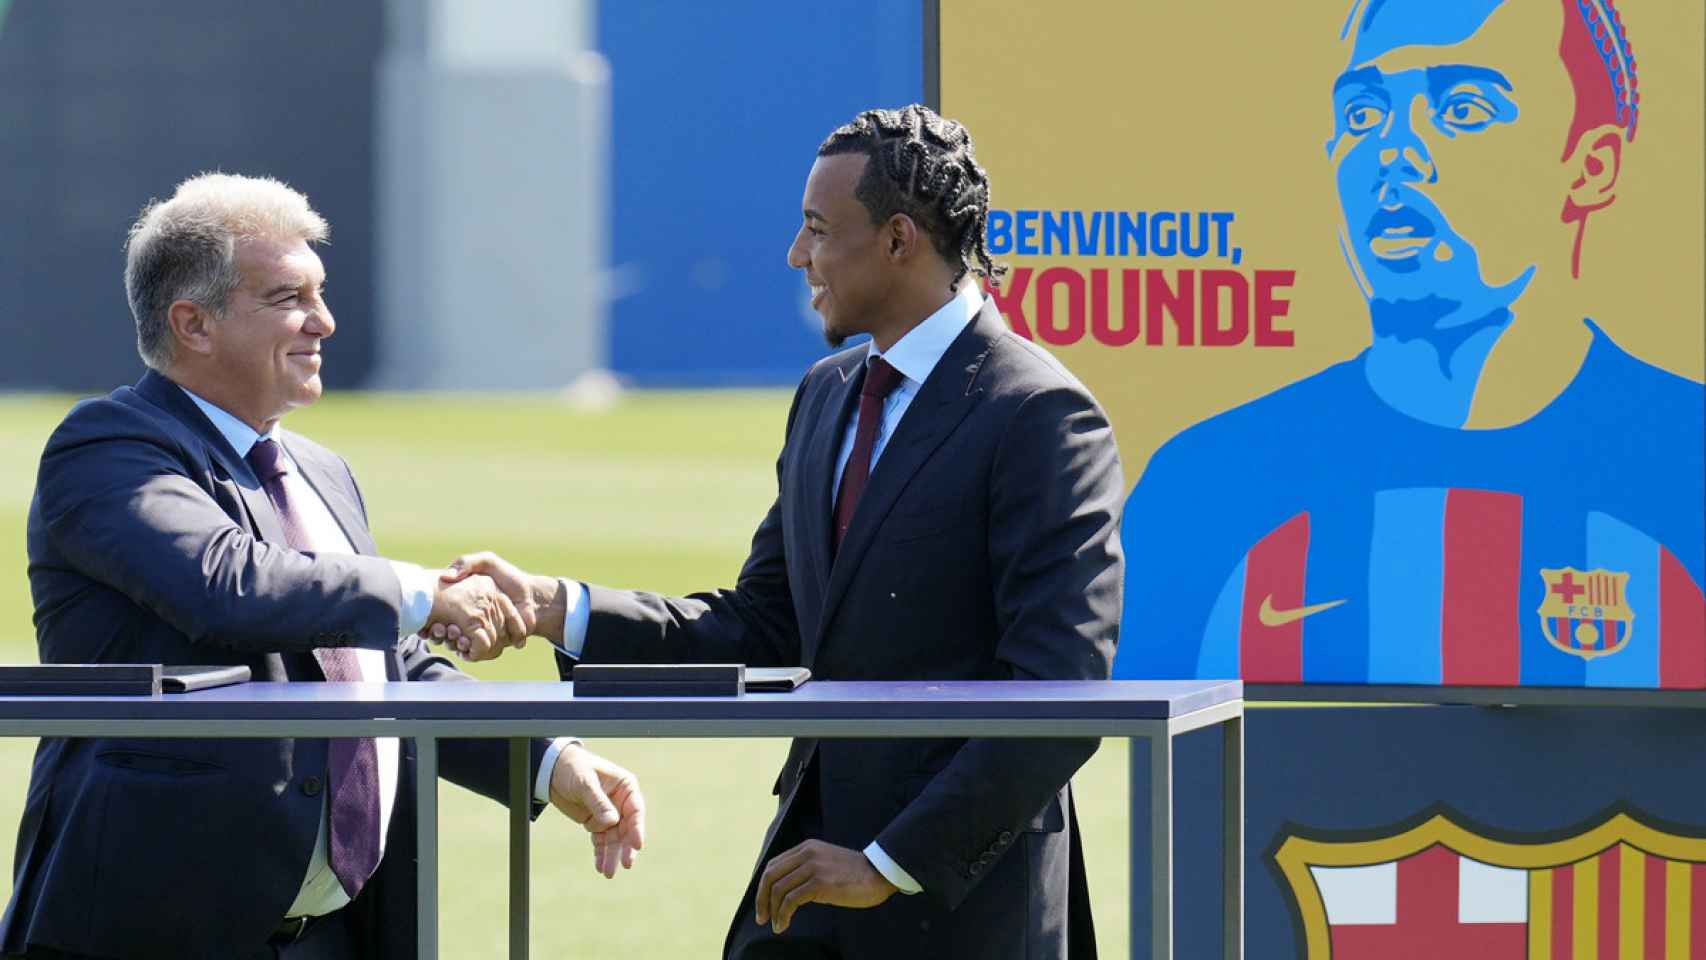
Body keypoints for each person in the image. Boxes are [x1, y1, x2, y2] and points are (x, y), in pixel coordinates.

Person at [442, 104, 1125, 959]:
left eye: (816, 229)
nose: (797, 255)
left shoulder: (1040, 414)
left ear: (899, 239)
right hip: (806, 890)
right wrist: (555, 608)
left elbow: (1060, 689)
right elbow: (763, 625)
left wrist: (890, 862)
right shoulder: (828, 393)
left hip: (962, 913)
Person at [1, 174, 645, 960]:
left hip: (335, 934)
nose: (324, 321)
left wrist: (548, 760)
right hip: (154, 927)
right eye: (286, 298)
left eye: (321, 292)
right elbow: (227, 585)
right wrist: (426, 592)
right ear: (192, 323)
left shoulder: (320, 470)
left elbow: (387, 669)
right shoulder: (106, 447)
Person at [1114, 0, 1705, 688]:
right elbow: (1124, 776)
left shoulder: (1685, 463)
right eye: (1364, 113)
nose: (1394, 151)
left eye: (1463, 110)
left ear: (1590, 166)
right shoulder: (1206, 488)